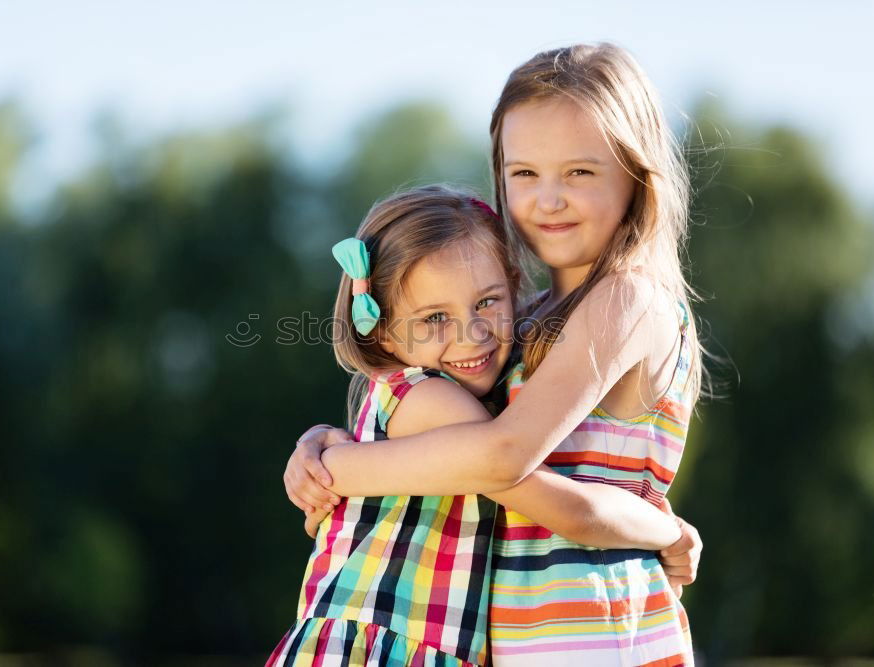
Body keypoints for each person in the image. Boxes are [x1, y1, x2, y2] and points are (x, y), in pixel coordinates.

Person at [286, 43, 703, 665]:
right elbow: (433, 421)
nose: (548, 198)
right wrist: (322, 438)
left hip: (593, 625)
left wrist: (342, 470)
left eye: (580, 172)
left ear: (637, 175)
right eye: (524, 173)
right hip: (517, 629)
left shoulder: (629, 299)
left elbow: (503, 455)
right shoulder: (514, 319)